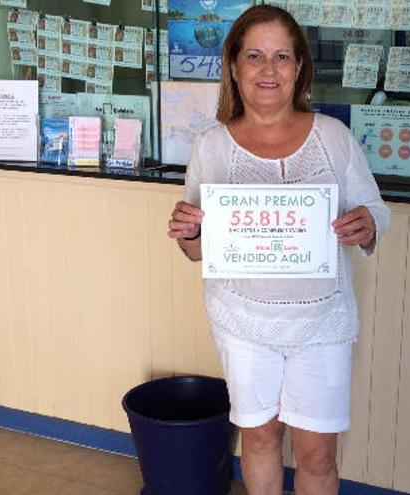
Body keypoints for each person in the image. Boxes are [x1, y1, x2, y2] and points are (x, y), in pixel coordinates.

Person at [166, 5, 390, 495]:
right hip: (242, 321)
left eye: (282, 56)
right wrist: (188, 234)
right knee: (260, 438)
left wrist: (367, 225)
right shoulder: (211, 147)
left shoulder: (333, 138)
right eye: (255, 56)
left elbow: (376, 211)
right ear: (234, 66)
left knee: (318, 454)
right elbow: (200, 249)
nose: (269, 70)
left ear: (299, 68)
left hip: (321, 322)